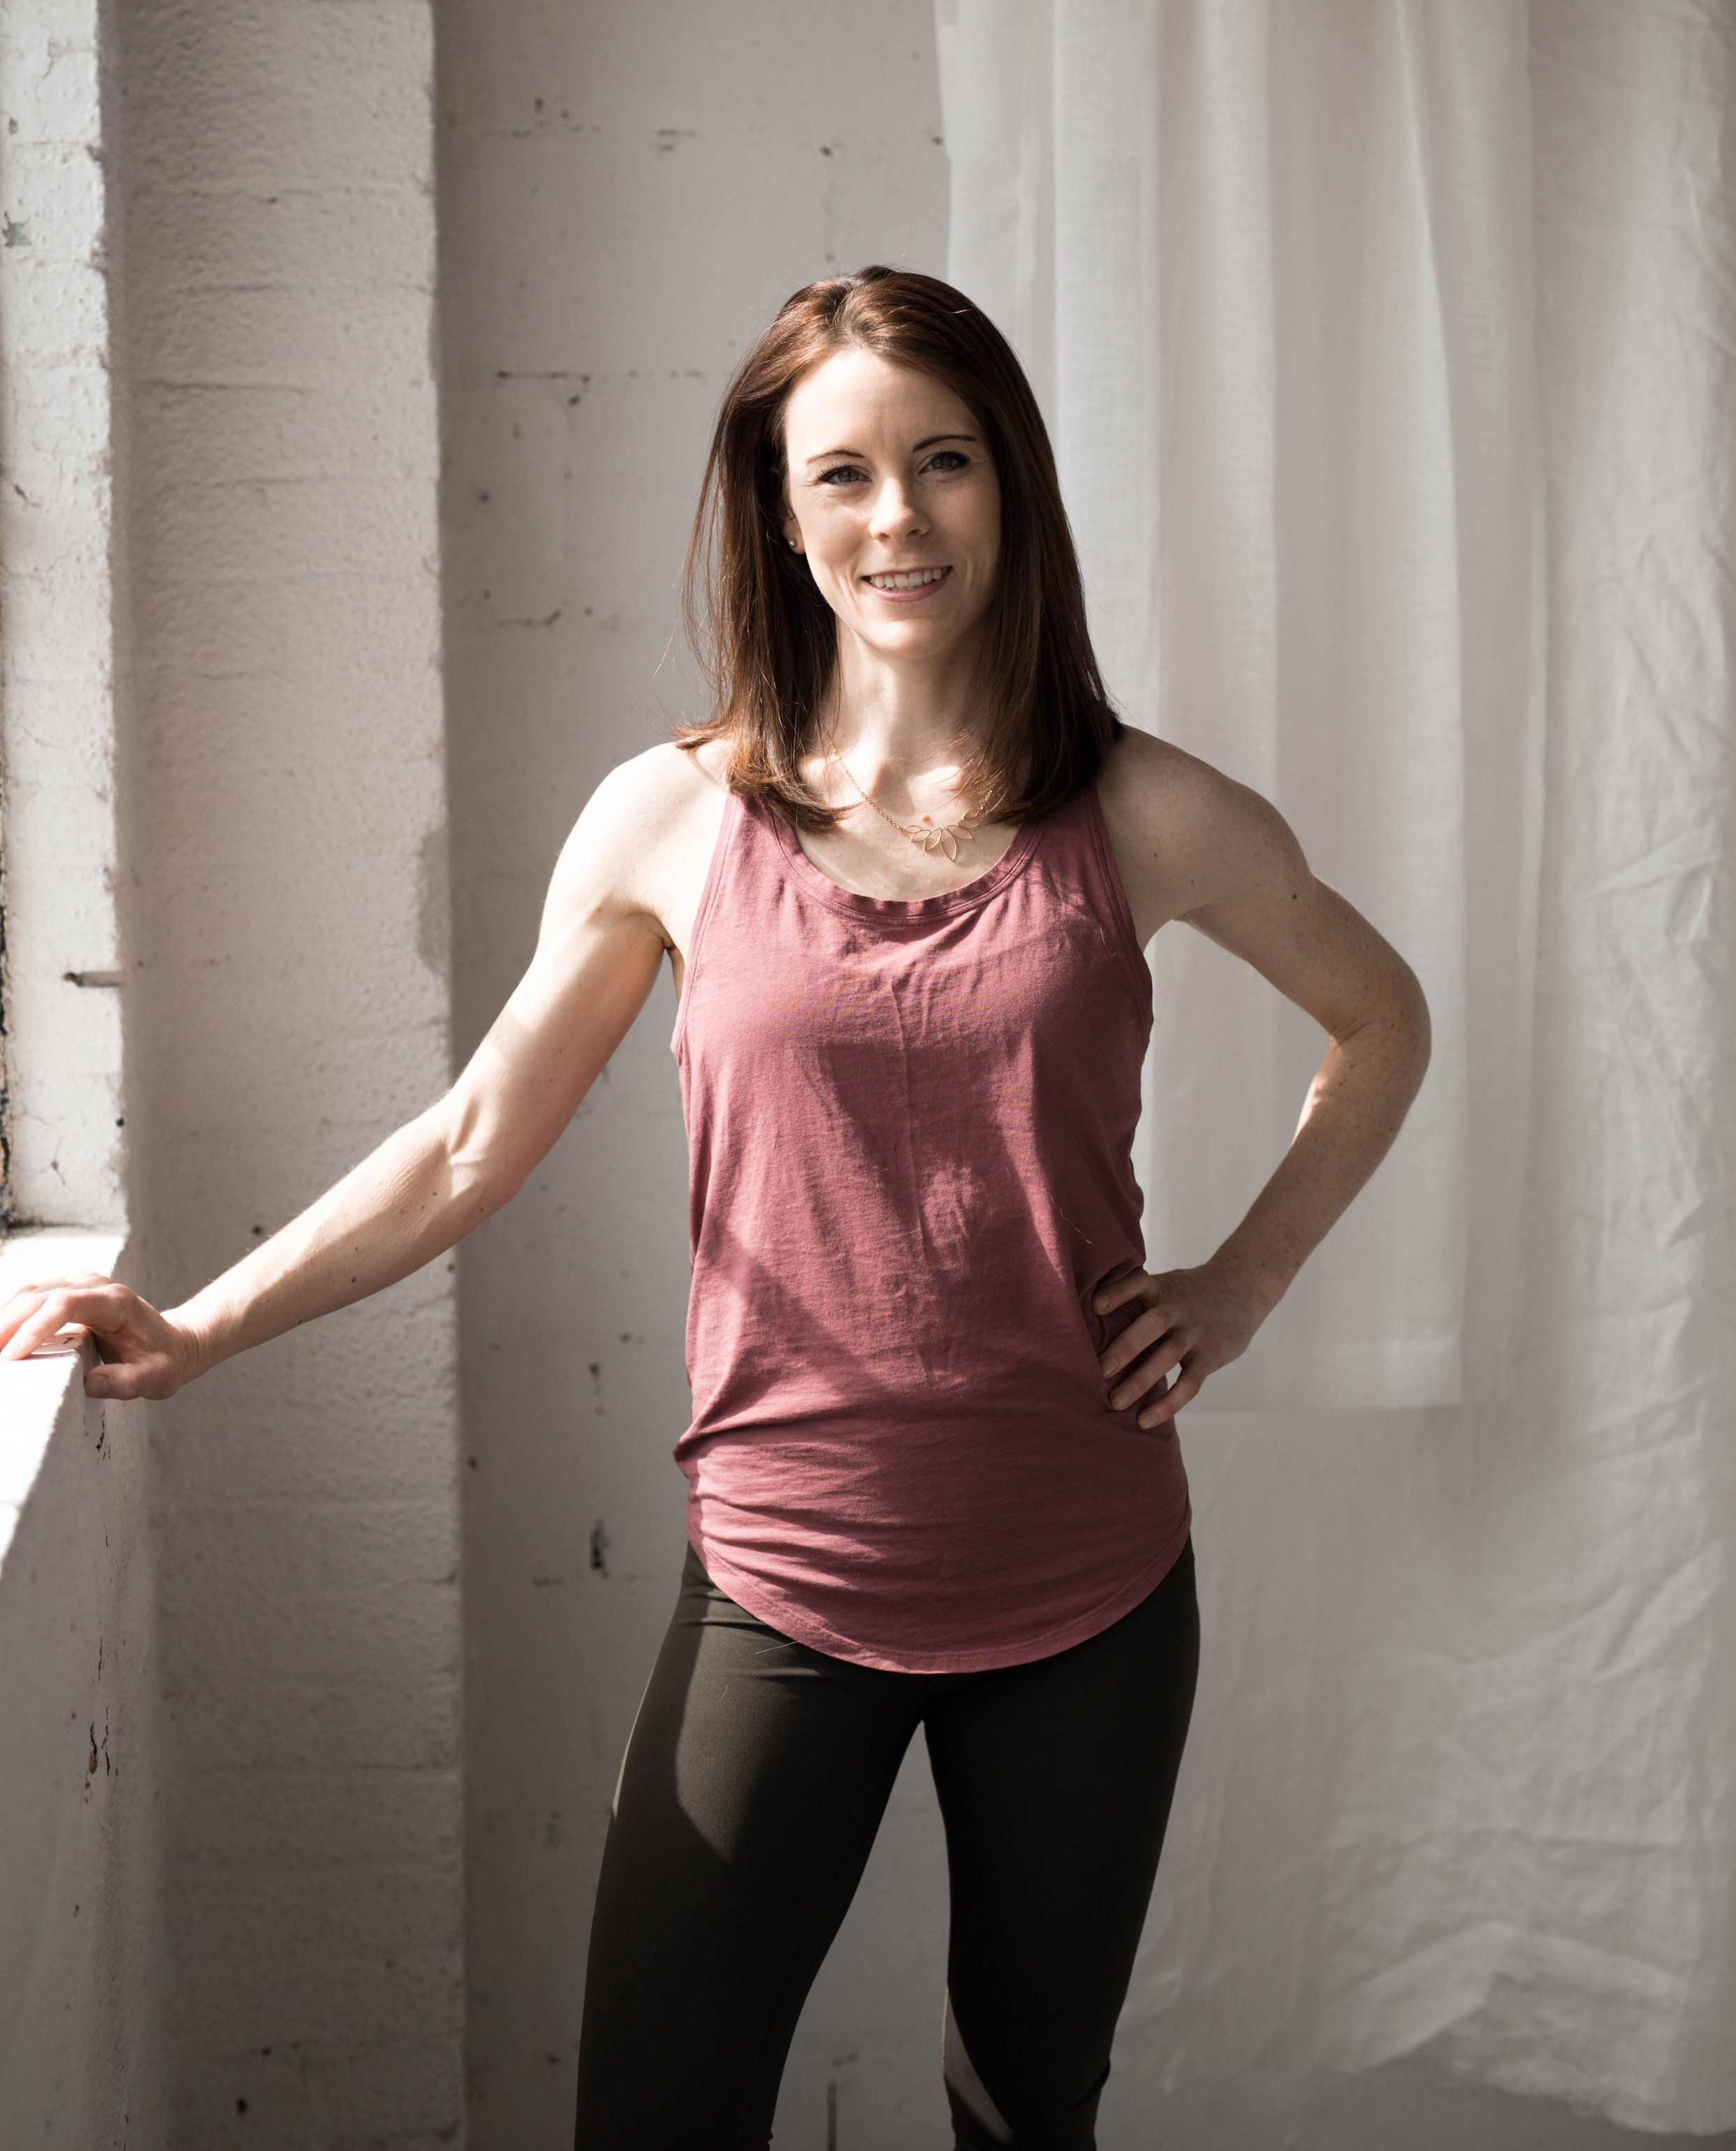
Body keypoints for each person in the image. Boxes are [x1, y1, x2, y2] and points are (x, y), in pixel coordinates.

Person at [0, 268, 1430, 2150]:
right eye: (840, 473)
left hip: (1086, 1588)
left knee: (1025, 2120)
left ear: (1011, 485)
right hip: (783, 1584)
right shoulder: (672, 820)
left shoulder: (1142, 813)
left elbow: (1378, 1018)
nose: (897, 515)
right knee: (656, 2118)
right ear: (776, 508)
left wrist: (1237, 1288)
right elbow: (465, 1144)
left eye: (943, 460)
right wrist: (198, 1327)